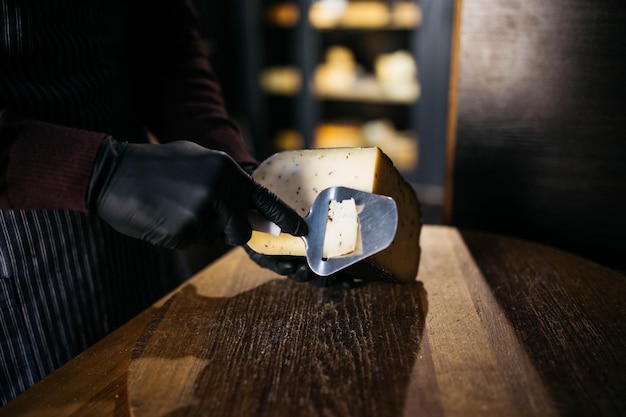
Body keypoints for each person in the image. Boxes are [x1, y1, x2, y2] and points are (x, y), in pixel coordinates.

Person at [0, 0, 315, 404]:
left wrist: (237, 170)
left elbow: (166, 45)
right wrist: (96, 171)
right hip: (20, 278)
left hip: (147, 246)